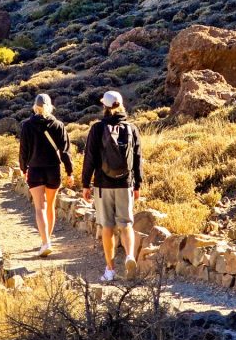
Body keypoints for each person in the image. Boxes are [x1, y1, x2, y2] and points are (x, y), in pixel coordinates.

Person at [81, 89, 143, 283]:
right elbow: (138, 159)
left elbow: (89, 158)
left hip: (103, 184)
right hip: (125, 184)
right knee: (126, 225)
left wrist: (85, 184)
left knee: (107, 227)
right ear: (121, 105)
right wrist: (137, 184)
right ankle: (130, 256)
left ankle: (110, 270)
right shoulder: (132, 128)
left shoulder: (97, 129)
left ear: (104, 106)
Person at [19, 93, 74, 256]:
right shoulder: (58, 125)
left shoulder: (27, 125)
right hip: (53, 170)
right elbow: (65, 152)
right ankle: (47, 240)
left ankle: (46, 242)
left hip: (35, 169)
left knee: (39, 207)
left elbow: (24, 151)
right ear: (50, 106)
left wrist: (23, 168)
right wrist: (70, 172)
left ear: (35, 106)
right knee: (50, 206)